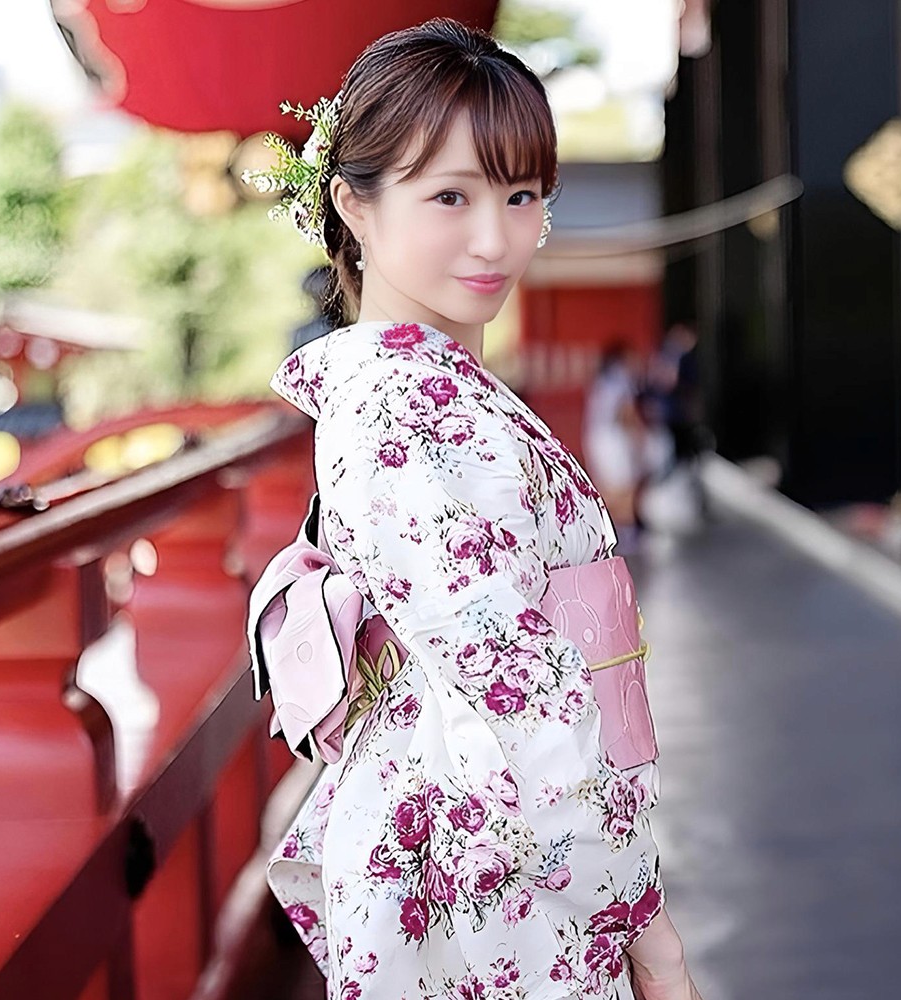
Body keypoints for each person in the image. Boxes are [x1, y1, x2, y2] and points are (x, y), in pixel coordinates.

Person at [247, 20, 703, 1000]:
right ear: (353, 206)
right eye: (450, 195)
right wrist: (640, 914)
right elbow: (517, 695)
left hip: (494, 832)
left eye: (522, 194)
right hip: (499, 857)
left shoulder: (428, 388)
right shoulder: (408, 406)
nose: (497, 237)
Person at [583, 342, 647, 547]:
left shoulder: (603, 378)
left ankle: (606, 533)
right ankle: (626, 533)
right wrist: (639, 436)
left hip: (594, 436)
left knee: (608, 487)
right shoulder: (621, 378)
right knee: (624, 485)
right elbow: (626, 413)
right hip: (612, 437)